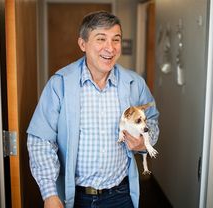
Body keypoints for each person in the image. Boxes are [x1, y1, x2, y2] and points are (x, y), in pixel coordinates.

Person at [27, 11, 159, 208]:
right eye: (101, 39)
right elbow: (41, 140)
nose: (110, 48)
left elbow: (153, 122)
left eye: (116, 40)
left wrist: (143, 144)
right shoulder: (59, 84)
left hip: (120, 196)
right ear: (83, 44)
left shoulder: (135, 84)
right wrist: (50, 193)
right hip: (76, 197)